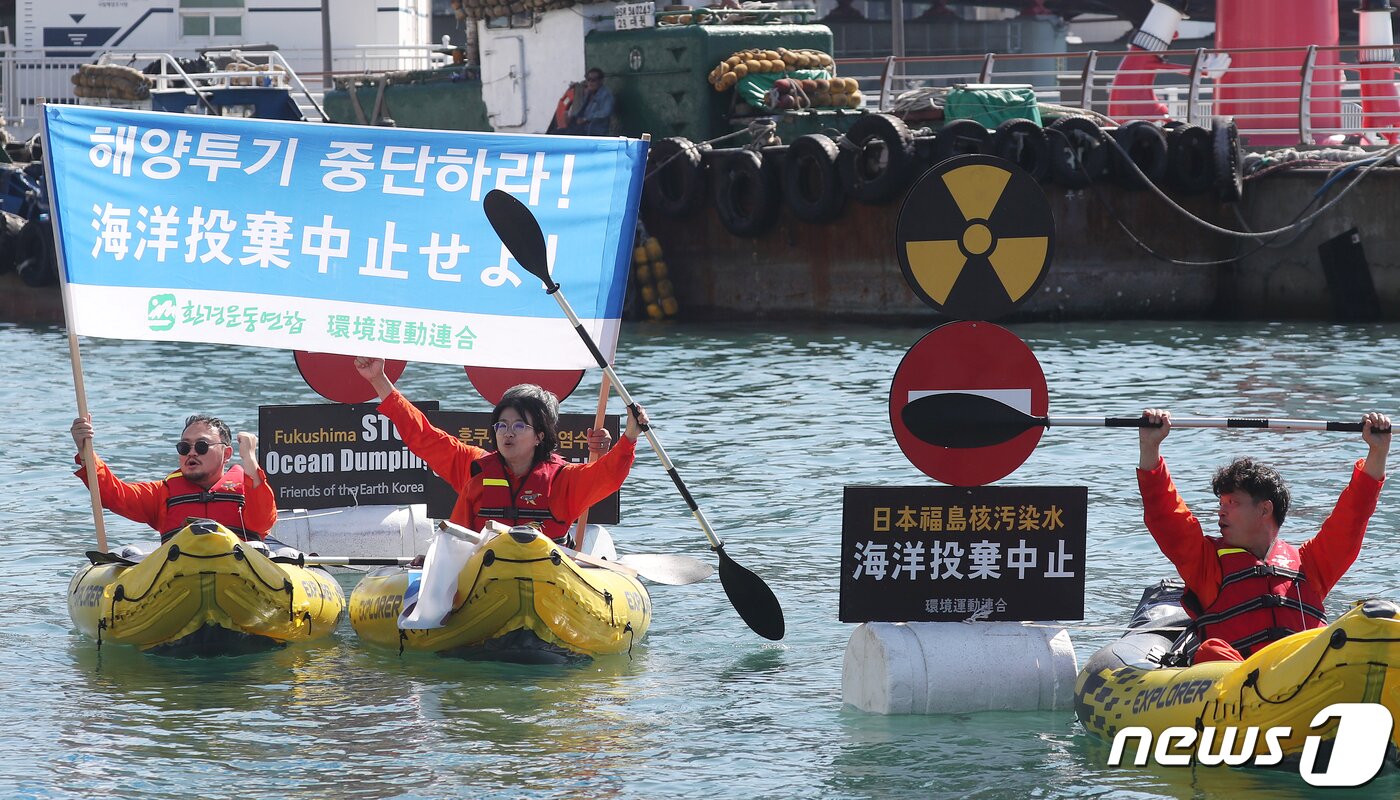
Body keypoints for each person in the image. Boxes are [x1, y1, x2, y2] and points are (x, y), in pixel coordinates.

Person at [1137, 408, 1390, 664]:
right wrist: (1150, 446)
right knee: (1211, 651)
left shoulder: (1309, 565)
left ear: (1265, 509)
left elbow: (1352, 518)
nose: (1221, 511)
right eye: (1221, 502)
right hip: (1236, 680)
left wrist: (1377, 452)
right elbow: (1167, 515)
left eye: (1232, 502)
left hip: (1306, 674)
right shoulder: (1206, 563)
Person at [353, 356, 646, 548]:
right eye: (502, 425)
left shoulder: (561, 480)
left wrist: (630, 435)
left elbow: (607, 475)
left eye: (519, 426)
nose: (508, 432)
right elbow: (422, 435)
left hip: (547, 575)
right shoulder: (475, 466)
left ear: (539, 436)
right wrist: (378, 379)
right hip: (481, 573)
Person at [70, 413, 276, 543]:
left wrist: (249, 457)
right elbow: (114, 495)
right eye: (184, 447)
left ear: (227, 454)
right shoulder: (163, 493)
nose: (192, 453)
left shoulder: (246, 488)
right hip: (179, 575)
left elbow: (262, 522)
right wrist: (85, 450)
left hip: (240, 573)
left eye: (202, 446)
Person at [566, 68, 614, 136]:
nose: (590, 83)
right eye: (588, 80)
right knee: (558, 133)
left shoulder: (606, 94)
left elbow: (606, 112)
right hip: (582, 128)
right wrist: (572, 118)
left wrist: (586, 119)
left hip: (594, 129)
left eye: (593, 80)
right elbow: (582, 111)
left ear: (601, 81)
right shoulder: (589, 93)